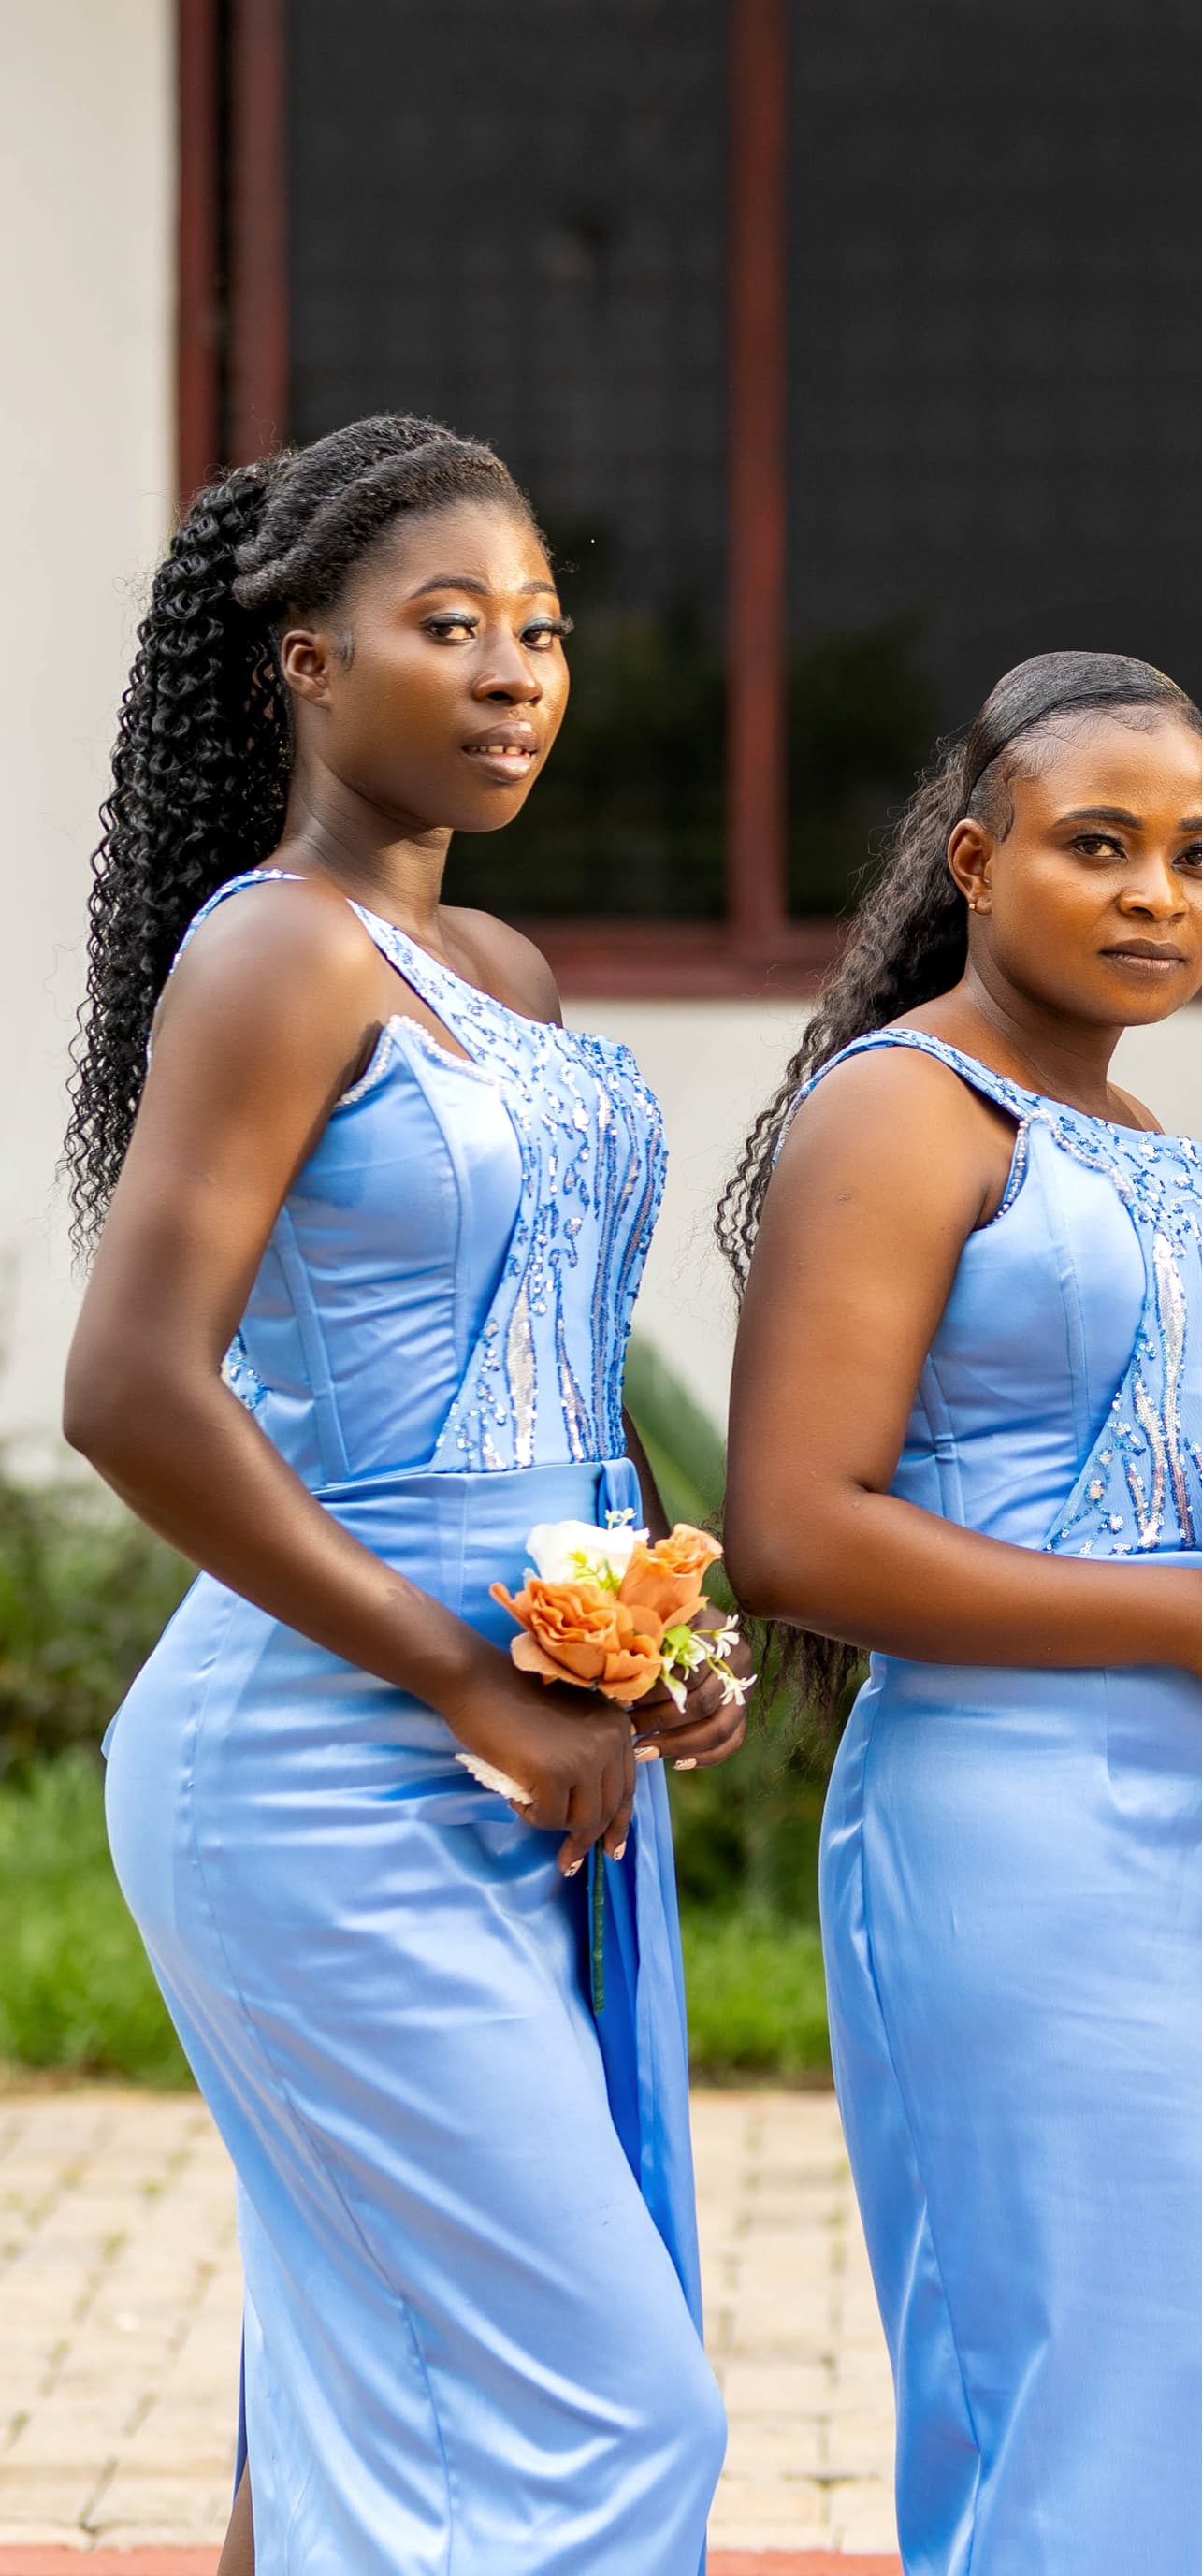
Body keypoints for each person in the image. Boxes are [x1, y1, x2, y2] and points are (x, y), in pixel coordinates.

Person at [65, 415, 737, 2575]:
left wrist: (660, 1642)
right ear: (304, 661)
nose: (515, 672)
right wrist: (469, 1678)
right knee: (604, 2412)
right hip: (319, 1764)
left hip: (524, 1748)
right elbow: (132, 1393)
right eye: (447, 627)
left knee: (366, 2395)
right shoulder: (277, 956)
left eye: (541, 630)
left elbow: (552, 1378)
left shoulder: (508, 981)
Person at [717, 652, 1202, 2575]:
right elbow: (792, 1529)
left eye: (1201, 856)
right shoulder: (905, 1111)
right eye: (1097, 847)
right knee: (1084, 2381)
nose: (1158, 895)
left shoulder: (1165, 1150)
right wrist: (1196, 1627)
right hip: (1024, 1827)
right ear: (974, 859)